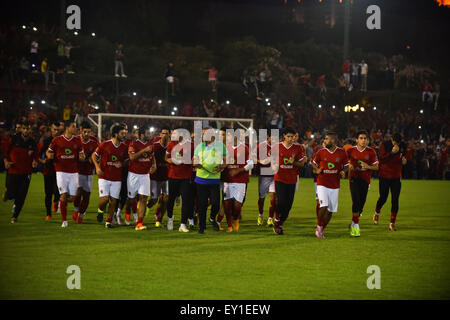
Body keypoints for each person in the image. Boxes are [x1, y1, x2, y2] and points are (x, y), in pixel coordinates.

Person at [46, 120, 85, 228]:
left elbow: (81, 154)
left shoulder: (77, 141)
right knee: (63, 195)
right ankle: (64, 221)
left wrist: (82, 157)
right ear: (67, 128)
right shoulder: (57, 140)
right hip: (61, 172)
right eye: (74, 126)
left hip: (73, 172)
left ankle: (61, 203)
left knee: (72, 198)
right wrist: (49, 155)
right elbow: (48, 151)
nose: (75, 129)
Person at [311, 132, 349, 238]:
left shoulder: (341, 152)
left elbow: (346, 166)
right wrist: (317, 169)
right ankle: (318, 227)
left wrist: (343, 171)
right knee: (323, 205)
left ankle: (322, 228)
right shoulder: (321, 152)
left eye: (327, 139)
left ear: (333, 140)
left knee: (331, 210)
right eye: (325, 139)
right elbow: (312, 162)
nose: (325, 140)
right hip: (322, 182)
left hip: (334, 184)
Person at [91, 123, 128, 229]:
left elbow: (126, 160)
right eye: (122, 133)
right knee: (105, 199)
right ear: (116, 134)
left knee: (113, 201)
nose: (124, 135)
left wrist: (122, 164)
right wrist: (97, 168)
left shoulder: (124, 147)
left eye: (125, 133)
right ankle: (100, 210)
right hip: (104, 177)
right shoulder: (104, 144)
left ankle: (108, 221)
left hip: (117, 178)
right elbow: (94, 155)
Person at [271, 127, 307, 235]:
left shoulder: (298, 148)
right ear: (284, 136)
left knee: (288, 206)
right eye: (289, 136)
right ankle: (277, 220)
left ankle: (279, 224)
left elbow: (301, 164)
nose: (291, 138)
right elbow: (272, 160)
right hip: (280, 178)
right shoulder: (276, 147)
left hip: (292, 179)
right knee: (281, 202)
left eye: (292, 136)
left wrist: (293, 162)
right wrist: (273, 166)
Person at [193, 126, 227, 234]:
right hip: (201, 180)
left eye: (204, 134)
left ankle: (212, 218)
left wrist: (221, 167)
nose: (202, 136)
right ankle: (201, 227)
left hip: (214, 180)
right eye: (202, 134)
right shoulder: (199, 147)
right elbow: (194, 160)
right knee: (202, 205)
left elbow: (226, 162)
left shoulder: (221, 146)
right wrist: (195, 163)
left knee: (215, 203)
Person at [4, 122, 38, 223]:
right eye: (24, 128)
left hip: (26, 173)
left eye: (28, 129)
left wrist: (35, 162)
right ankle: (8, 195)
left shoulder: (32, 142)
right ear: (21, 129)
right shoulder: (14, 139)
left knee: (22, 195)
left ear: (30, 130)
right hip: (13, 171)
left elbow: (35, 156)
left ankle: (14, 216)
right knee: (11, 194)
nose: (26, 131)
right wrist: (6, 161)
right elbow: (6, 152)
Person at [346, 130, 379, 237]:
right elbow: (343, 163)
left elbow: (377, 167)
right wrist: (348, 166)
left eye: (365, 138)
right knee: (356, 201)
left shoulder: (371, 152)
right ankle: (355, 227)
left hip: (365, 180)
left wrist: (368, 166)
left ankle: (353, 221)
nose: (363, 140)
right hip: (354, 178)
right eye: (361, 138)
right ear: (357, 140)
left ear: (368, 141)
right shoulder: (350, 150)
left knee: (361, 204)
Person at [373, 133, 407, 231]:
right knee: (383, 197)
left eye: (397, 143)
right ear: (391, 139)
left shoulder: (403, 146)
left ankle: (392, 223)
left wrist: (404, 161)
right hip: (384, 175)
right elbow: (381, 159)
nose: (395, 144)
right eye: (393, 142)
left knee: (395, 199)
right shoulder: (385, 145)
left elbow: (403, 158)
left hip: (396, 176)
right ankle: (376, 213)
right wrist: (391, 153)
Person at [222, 128, 253, 232]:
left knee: (237, 205)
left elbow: (251, 164)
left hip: (240, 180)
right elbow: (223, 162)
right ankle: (229, 225)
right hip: (228, 179)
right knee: (226, 203)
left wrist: (239, 170)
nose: (227, 138)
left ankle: (235, 218)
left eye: (229, 136)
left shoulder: (245, 148)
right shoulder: (226, 148)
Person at [165, 129, 195, 232]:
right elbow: (166, 157)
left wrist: (191, 162)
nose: (174, 135)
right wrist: (170, 160)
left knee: (186, 200)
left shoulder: (191, 145)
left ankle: (182, 224)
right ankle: (170, 218)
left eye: (176, 133)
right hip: (173, 176)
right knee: (171, 200)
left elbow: (194, 159)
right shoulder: (171, 144)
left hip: (185, 177)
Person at [127, 127, 156, 231]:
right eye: (148, 133)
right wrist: (144, 150)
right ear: (142, 135)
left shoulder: (150, 144)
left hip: (145, 175)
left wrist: (154, 165)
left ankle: (139, 223)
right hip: (133, 175)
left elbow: (152, 156)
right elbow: (132, 158)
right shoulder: (133, 144)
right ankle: (127, 211)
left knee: (143, 198)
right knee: (131, 199)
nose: (150, 135)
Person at [72, 122, 98, 224]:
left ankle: (81, 215)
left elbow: (97, 154)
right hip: (77, 171)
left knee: (86, 195)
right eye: (85, 132)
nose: (87, 134)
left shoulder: (95, 141)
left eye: (89, 132)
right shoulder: (76, 140)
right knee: (78, 192)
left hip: (88, 172)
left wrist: (93, 159)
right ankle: (76, 209)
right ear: (81, 130)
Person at [36, 122, 60, 220]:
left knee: (57, 191)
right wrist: (43, 161)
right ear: (51, 129)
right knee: (48, 193)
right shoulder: (46, 142)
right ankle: (48, 214)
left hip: (59, 171)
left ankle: (56, 201)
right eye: (54, 129)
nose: (56, 132)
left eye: (58, 130)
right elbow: (37, 153)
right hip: (48, 171)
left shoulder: (61, 141)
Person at [148, 127, 170, 227]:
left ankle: (159, 219)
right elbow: (149, 157)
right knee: (154, 199)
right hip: (155, 176)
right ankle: (147, 206)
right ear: (160, 135)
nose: (164, 135)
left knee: (165, 198)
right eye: (163, 133)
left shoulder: (172, 146)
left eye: (166, 133)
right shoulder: (154, 145)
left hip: (167, 176)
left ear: (169, 135)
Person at [256, 131, 275, 226]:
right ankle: (260, 215)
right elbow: (252, 157)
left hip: (275, 175)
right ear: (268, 137)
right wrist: (261, 161)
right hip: (264, 175)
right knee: (262, 198)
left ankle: (270, 218)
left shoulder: (278, 147)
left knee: (273, 198)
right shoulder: (261, 146)